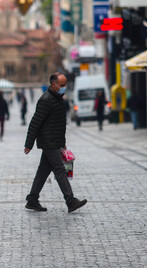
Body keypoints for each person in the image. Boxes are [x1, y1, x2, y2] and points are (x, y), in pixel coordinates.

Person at [24, 72, 87, 213]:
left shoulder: (57, 98)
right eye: (62, 85)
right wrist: (29, 144)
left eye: (66, 85)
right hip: (48, 142)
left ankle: (32, 200)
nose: (65, 88)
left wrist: (62, 142)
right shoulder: (46, 100)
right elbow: (35, 122)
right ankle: (70, 201)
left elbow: (59, 124)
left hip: (54, 141)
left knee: (43, 170)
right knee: (60, 169)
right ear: (54, 85)